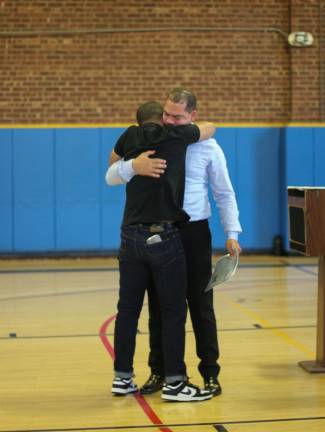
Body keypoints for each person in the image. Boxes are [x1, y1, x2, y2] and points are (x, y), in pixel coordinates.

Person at [106, 87, 242, 397]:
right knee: (160, 306)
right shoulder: (149, 139)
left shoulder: (209, 147)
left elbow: (224, 192)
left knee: (200, 304)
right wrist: (132, 166)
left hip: (193, 232)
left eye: (177, 116)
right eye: (166, 114)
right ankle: (161, 372)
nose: (169, 120)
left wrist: (232, 234)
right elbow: (112, 170)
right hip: (162, 233)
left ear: (192, 116)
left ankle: (209, 372)